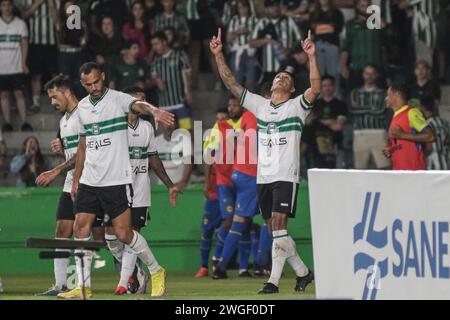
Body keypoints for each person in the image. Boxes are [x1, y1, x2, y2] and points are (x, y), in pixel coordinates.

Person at [210, 28, 320, 293]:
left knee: (279, 227)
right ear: (271, 86)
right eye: (278, 76)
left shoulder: (296, 107)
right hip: (264, 177)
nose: (281, 78)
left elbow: (316, 87)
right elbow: (231, 83)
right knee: (275, 231)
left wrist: (312, 57)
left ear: (292, 88)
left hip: (285, 175)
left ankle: (272, 282)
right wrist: (218, 55)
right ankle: (304, 273)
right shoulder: (259, 105)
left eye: (286, 78)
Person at [58, 61, 176, 299]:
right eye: (88, 84)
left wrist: (153, 110)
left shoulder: (117, 98)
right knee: (81, 228)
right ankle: (83, 287)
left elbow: (137, 104)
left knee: (124, 234)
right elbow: (82, 147)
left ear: (103, 76)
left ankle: (155, 269)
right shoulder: (81, 107)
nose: (94, 87)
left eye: (97, 82)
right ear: (82, 84)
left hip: (116, 180)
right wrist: (75, 180)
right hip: (90, 180)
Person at [33, 74, 105, 296]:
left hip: (91, 181)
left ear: (67, 92)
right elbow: (73, 154)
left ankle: (134, 273)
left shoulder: (84, 113)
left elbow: (86, 153)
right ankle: (61, 284)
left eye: (54, 97)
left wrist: (56, 169)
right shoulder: (64, 120)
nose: (52, 102)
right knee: (62, 231)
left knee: (110, 237)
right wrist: (61, 150)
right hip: (70, 182)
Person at [104, 86, 178, 295]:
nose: (143, 103)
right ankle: (137, 272)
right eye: (139, 99)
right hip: (115, 189)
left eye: (145, 99)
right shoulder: (115, 125)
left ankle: (123, 283)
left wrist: (170, 184)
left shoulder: (146, 127)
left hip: (139, 190)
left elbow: (153, 158)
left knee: (131, 235)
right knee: (111, 236)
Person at [211, 95, 259, 280]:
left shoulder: (246, 117)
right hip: (250, 175)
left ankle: (234, 267)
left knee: (243, 223)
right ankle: (222, 265)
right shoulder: (256, 117)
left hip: (238, 173)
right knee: (241, 222)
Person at [195, 108, 228, 278]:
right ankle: (203, 266)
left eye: (223, 118)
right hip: (215, 190)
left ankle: (219, 264)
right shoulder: (213, 136)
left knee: (228, 228)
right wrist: (207, 182)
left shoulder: (236, 135)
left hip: (229, 190)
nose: (220, 121)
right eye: (218, 118)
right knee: (207, 230)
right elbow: (207, 158)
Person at [19, 0, 59, 113]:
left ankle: (57, 101)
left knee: (54, 75)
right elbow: (23, 16)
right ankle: (36, 103)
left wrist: (51, 6)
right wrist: (37, 4)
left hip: (52, 44)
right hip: (35, 43)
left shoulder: (56, 1)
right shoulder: (29, 1)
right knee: (36, 74)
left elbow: (58, 22)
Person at [383, 84, 435, 170]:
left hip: (413, 170)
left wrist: (402, 135)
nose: (386, 98)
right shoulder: (395, 116)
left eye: (388, 94)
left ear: (397, 94)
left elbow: (430, 136)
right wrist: (391, 150)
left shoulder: (411, 112)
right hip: (399, 170)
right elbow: (402, 144)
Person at [249, 0, 302, 84]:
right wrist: (267, 40)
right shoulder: (262, 23)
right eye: (271, 6)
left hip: (286, 66)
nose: (275, 8)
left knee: (287, 92)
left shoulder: (289, 21)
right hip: (268, 69)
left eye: (276, 5)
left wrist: (290, 49)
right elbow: (251, 43)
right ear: (266, 9)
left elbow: (300, 39)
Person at [150, 31, 193, 131]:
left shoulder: (179, 55)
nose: (154, 47)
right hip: (165, 105)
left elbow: (188, 74)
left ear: (164, 42)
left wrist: (189, 93)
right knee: (168, 133)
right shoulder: (156, 61)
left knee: (187, 130)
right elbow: (152, 79)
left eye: (156, 44)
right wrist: (157, 81)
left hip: (181, 102)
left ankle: (188, 146)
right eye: (152, 45)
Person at [349, 64, 389, 169]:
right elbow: (353, 111)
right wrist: (372, 108)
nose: (369, 76)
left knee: (384, 168)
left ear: (376, 75)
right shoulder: (355, 93)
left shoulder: (383, 93)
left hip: (379, 133)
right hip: (360, 134)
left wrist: (361, 108)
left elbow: (381, 112)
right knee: (360, 169)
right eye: (367, 73)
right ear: (363, 75)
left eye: (372, 73)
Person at [302, 75, 347, 169]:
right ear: (321, 87)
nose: (327, 88)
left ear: (334, 86)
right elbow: (307, 122)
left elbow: (338, 126)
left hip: (334, 144)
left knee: (334, 173)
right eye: (324, 85)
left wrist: (318, 120)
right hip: (315, 146)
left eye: (330, 85)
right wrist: (331, 121)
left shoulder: (341, 105)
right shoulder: (314, 104)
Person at [0, 0, 31, 132]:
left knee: (19, 93)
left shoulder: (20, 24)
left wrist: (23, 63)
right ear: (0, 7)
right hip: (1, 67)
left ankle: (24, 122)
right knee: (4, 95)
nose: (7, 8)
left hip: (16, 66)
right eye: (4, 5)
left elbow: (24, 44)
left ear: (12, 7)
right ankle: (7, 123)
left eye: (9, 5)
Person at [340, 0, 384, 90]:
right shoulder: (349, 25)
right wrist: (343, 65)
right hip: (357, 67)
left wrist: (376, 16)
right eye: (362, 6)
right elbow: (345, 47)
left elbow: (387, 38)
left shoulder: (377, 22)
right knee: (356, 94)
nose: (365, 8)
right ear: (357, 7)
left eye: (368, 6)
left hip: (375, 67)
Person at [226, 0, 259, 91]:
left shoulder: (254, 19)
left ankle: (249, 105)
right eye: (240, 8)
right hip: (237, 51)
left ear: (248, 8)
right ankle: (237, 104)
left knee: (251, 81)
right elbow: (228, 39)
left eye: (244, 7)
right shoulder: (234, 19)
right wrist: (237, 32)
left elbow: (259, 36)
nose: (242, 10)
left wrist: (248, 31)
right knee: (237, 80)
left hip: (250, 52)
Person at [56, 0, 87, 98]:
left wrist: (78, 43)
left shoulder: (81, 23)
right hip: (65, 55)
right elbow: (59, 43)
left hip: (77, 54)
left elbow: (84, 41)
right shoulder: (60, 23)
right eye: (67, 8)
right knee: (65, 81)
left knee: (79, 81)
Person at [417, 96, 450, 170]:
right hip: (447, 162)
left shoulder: (426, 125)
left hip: (434, 165)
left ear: (422, 107)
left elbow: (429, 149)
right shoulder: (445, 122)